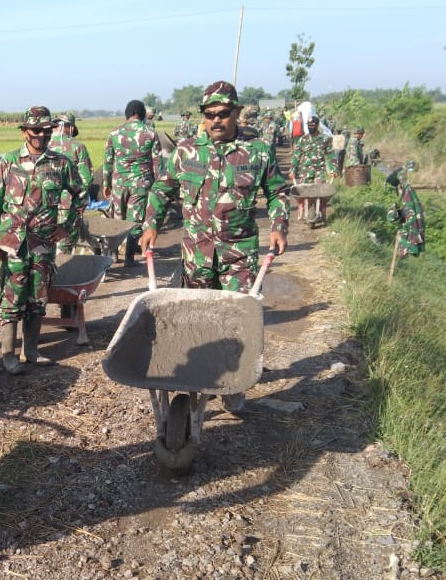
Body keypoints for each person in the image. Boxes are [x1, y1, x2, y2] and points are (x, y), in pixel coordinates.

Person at [138, 81, 289, 412]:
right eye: (210, 115)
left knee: (236, 318)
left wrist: (279, 227)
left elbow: (277, 192)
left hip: (239, 252)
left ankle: (233, 384)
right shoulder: (186, 151)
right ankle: (198, 379)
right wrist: (151, 224)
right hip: (197, 253)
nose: (217, 120)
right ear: (202, 116)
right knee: (199, 318)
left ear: (236, 113)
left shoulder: (258, 152)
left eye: (223, 114)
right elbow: (162, 190)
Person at [0, 106, 81, 375]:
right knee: (11, 297)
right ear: (25, 132)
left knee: (38, 297)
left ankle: (31, 351)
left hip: (43, 245)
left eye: (47, 130)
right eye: (36, 130)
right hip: (13, 244)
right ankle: (8, 355)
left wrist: (66, 227)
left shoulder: (61, 164)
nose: (42, 135)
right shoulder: (8, 162)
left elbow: (80, 197)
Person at [102, 99, 162, 266]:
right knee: (135, 220)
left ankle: (112, 255)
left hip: (118, 184)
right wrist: (158, 186)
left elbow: (107, 161)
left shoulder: (114, 133)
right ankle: (129, 257)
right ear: (142, 114)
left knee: (116, 219)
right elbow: (157, 163)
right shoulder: (150, 132)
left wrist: (106, 184)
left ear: (127, 113)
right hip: (141, 185)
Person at [48, 111, 93, 254]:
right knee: (64, 247)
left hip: (43, 208)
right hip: (69, 208)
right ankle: (62, 273)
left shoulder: (42, 145)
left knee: (44, 247)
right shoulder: (77, 147)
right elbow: (86, 179)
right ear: (71, 128)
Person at [289, 115, 337, 220]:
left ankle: (322, 211)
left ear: (317, 125)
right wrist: (292, 170)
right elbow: (296, 156)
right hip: (305, 171)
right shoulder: (303, 139)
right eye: (309, 125)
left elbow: (330, 155)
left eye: (313, 125)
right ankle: (304, 209)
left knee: (321, 191)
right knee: (305, 192)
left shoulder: (325, 139)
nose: (311, 127)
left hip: (319, 170)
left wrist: (333, 169)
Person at [386, 161, 426, 259]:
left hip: (410, 230)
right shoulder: (410, 193)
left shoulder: (406, 195)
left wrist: (393, 214)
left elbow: (392, 217)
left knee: (402, 254)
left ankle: (401, 260)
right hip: (413, 227)